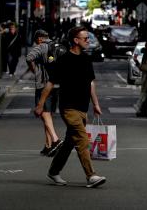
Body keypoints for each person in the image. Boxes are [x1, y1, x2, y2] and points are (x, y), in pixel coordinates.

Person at [34, 26, 106, 188]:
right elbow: (50, 83)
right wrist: (40, 105)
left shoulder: (87, 59)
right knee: (82, 139)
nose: (88, 41)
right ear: (76, 40)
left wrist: (95, 104)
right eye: (85, 38)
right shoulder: (64, 60)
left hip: (82, 108)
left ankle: (53, 171)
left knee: (69, 142)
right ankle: (91, 175)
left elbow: (90, 83)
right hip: (68, 107)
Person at [26, 29, 63, 156]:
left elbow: (29, 57)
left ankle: (55, 140)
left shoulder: (41, 46)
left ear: (40, 38)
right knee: (48, 115)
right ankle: (48, 145)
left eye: (36, 40)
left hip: (44, 84)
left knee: (43, 113)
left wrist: (34, 70)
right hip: (57, 84)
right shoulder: (56, 45)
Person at [136, 41, 147, 117]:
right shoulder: (146, 54)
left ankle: (142, 110)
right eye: (146, 46)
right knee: (144, 94)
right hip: (146, 77)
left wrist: (137, 63)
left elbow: (146, 68)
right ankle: (143, 110)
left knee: (145, 95)